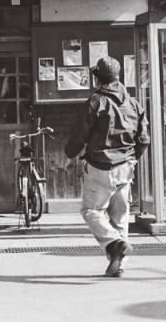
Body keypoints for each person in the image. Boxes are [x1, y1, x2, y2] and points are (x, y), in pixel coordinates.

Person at [64, 56, 149, 277]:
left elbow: (80, 133)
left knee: (91, 210)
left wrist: (70, 154)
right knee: (120, 218)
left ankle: (113, 244)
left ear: (97, 79)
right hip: (126, 167)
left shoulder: (96, 101)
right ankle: (118, 266)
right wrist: (132, 157)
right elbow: (144, 139)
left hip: (101, 166)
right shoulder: (134, 103)